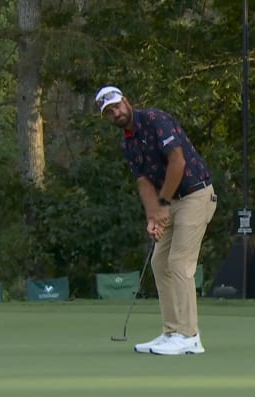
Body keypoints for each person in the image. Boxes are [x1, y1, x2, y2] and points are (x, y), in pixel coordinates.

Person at [96, 85, 217, 355]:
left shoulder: (155, 120)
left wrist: (162, 204)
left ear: (126, 102)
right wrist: (153, 215)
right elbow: (143, 181)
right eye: (109, 111)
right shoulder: (127, 142)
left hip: (195, 194)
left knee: (179, 263)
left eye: (116, 106)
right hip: (169, 200)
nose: (115, 112)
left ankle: (190, 337)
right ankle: (172, 331)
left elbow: (178, 162)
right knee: (159, 261)